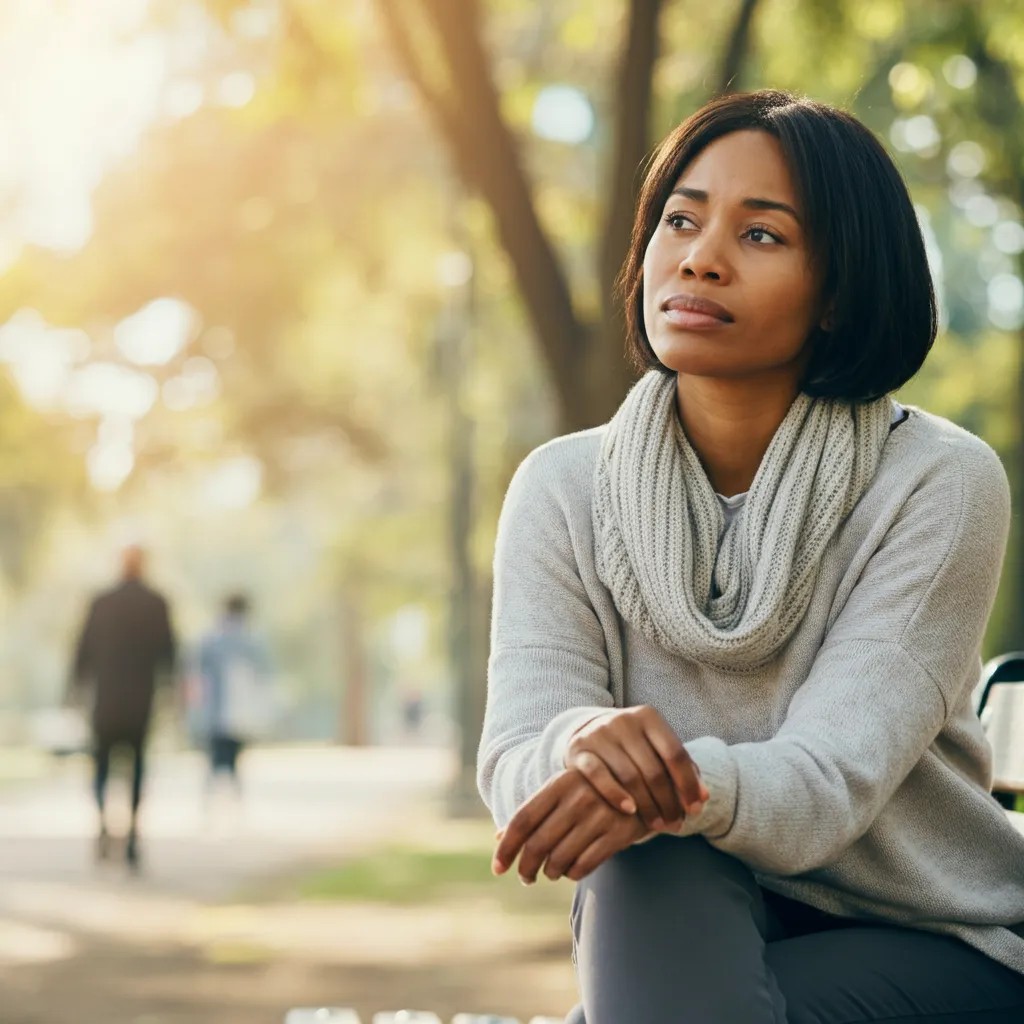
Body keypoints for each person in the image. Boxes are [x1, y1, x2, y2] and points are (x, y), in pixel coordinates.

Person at [478, 90, 1024, 1023]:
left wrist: (657, 784)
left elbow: (826, 784)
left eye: (761, 235)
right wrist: (582, 747)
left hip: (929, 943)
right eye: (680, 220)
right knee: (655, 859)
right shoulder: (561, 486)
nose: (698, 257)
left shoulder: (936, 480)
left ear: (840, 289)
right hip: (680, 917)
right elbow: (517, 756)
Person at [70, 544, 176, 870]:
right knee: (136, 769)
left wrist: (74, 692)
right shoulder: (156, 603)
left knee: (101, 767)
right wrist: (170, 693)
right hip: (139, 701)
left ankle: (103, 822)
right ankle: (130, 837)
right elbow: (169, 654)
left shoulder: (102, 602)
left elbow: (82, 651)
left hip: (106, 701)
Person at [195, 592, 272, 799]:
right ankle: (235, 804)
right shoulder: (251, 640)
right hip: (239, 713)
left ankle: (210, 805)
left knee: (214, 762)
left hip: (215, 712)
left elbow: (200, 672)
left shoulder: (212, 637)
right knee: (234, 762)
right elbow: (262, 674)